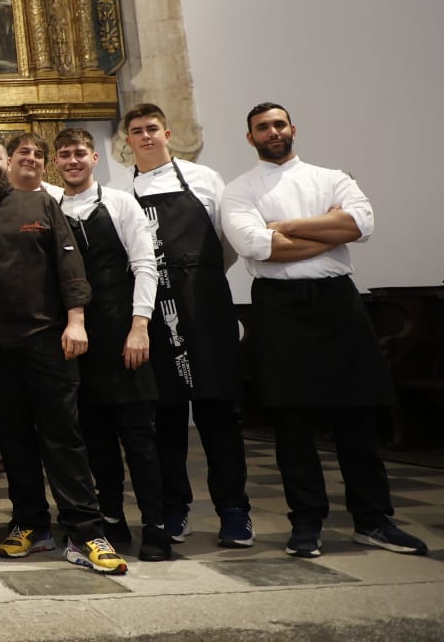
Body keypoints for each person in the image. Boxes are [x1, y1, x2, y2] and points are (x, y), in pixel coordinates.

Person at [222, 103, 427, 559]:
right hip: (279, 307)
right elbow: (255, 245)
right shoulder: (239, 189)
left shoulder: (331, 177)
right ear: (250, 137)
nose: (272, 131)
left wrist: (285, 227)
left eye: (279, 123)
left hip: (337, 301)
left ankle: (373, 520)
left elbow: (361, 224)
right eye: (262, 127)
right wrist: (328, 230)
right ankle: (306, 522)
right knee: (292, 424)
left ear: (293, 128)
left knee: (358, 417)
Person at [0, 132, 128, 575]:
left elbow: (70, 266)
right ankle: (31, 524)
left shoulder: (41, 204)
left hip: (48, 341)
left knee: (64, 438)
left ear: (6, 162)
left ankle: (85, 532)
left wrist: (76, 320)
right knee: (13, 441)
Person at [124, 103, 253, 548]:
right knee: (167, 419)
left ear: (168, 133)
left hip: (205, 305)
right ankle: (174, 508)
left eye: (152, 129)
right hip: (155, 312)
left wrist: (196, 273)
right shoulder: (124, 192)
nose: (146, 137)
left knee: (219, 415)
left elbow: (228, 243)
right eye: (137, 131)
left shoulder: (203, 179)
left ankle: (235, 512)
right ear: (127, 141)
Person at [53, 128, 169, 562]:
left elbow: (145, 266)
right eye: (64, 156)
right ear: (56, 163)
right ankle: (113, 519)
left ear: (94, 158)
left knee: (139, 438)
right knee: (95, 438)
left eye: (80, 153)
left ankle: (155, 525)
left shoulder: (120, 202)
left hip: (125, 333)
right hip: (81, 340)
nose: (72, 161)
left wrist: (140, 328)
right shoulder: (54, 208)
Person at [5, 131, 64, 200]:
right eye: (24, 152)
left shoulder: (59, 197)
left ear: (44, 167)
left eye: (38, 155)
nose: (31, 158)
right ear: (9, 161)